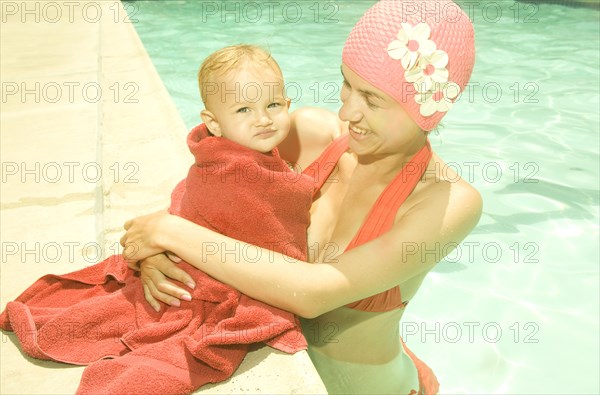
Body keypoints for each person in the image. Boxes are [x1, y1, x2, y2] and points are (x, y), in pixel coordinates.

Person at [121, 1, 481, 394]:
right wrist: (159, 252)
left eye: (373, 100)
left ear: (428, 112)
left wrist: (172, 234)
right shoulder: (311, 135)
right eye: (347, 84)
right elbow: (211, 181)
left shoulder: (447, 202)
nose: (348, 110)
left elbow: (314, 293)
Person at [0, 44, 315, 394]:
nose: (263, 118)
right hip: (200, 282)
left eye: (272, 105)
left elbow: (193, 200)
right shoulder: (234, 170)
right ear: (213, 123)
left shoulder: (227, 155)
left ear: (288, 105)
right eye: (244, 109)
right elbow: (274, 247)